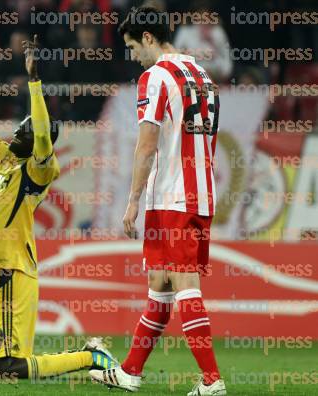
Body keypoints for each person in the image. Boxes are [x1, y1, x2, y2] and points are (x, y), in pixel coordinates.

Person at [89, 7, 226, 396]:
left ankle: (212, 380)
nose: (133, 57)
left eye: (133, 47)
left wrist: (132, 200)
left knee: (183, 283)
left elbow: (147, 145)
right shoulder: (202, 76)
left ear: (148, 38)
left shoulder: (156, 77)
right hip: (201, 193)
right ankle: (131, 371)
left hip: (171, 195)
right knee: (160, 282)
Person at [0, 35, 117, 379]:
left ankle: (90, 358)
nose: (20, 129)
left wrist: (34, 83)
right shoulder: (7, 160)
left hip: (12, 267)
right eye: (21, 126)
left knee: (8, 368)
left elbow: (39, 131)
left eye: (28, 128)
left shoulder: (39, 169)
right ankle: (90, 356)